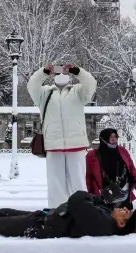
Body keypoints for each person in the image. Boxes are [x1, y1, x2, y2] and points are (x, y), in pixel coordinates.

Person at [0, 190, 136, 238]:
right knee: (1, 213)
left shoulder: (102, 223)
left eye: (127, 214)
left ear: (120, 224)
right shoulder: (107, 215)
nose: (125, 208)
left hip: (43, 228)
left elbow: (78, 199)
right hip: (44, 218)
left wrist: (94, 198)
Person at [28, 63, 97, 208]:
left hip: (76, 144)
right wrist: (44, 72)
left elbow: (91, 83)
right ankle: (57, 214)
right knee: (55, 184)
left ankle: (82, 212)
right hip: (53, 145)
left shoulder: (78, 92)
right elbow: (32, 85)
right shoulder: (44, 93)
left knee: (78, 183)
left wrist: (76, 71)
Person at [86, 128, 136, 202]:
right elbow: (89, 176)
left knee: (124, 213)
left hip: (123, 194)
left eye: (115, 137)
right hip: (103, 196)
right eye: (111, 137)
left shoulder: (122, 151)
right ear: (104, 138)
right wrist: (91, 194)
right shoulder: (92, 155)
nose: (114, 139)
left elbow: (131, 167)